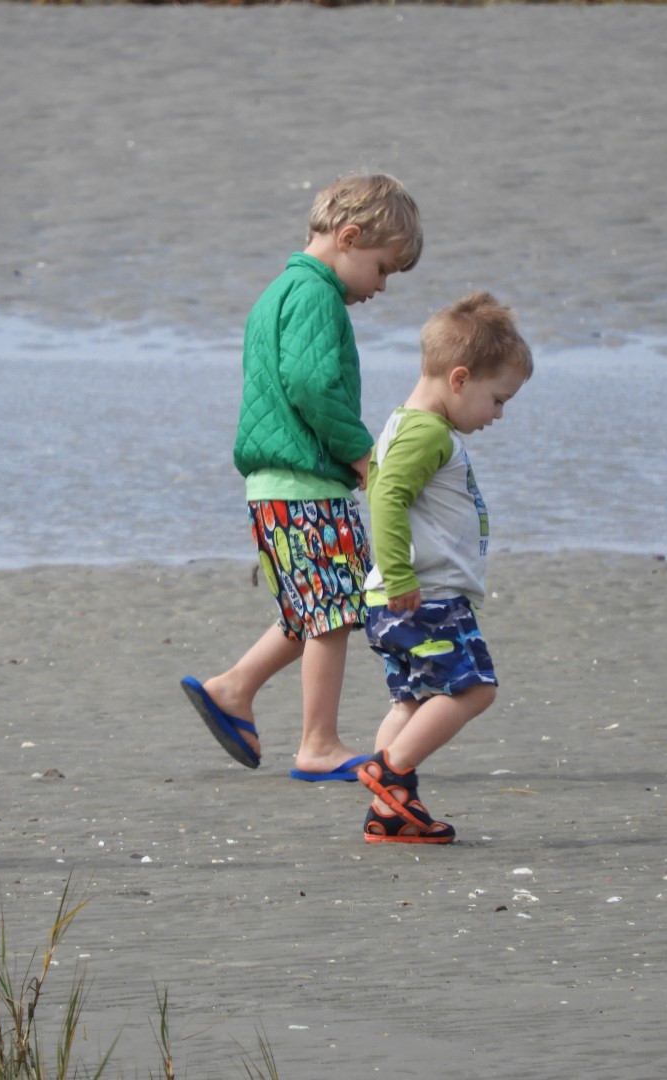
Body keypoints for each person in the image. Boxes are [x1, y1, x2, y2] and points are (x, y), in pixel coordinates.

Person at [181, 174, 423, 781]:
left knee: (310, 608)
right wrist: (365, 456)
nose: (382, 286)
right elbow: (313, 387)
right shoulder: (317, 297)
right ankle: (318, 745)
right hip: (305, 484)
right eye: (383, 268)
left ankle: (233, 688)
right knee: (335, 611)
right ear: (348, 238)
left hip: (271, 485)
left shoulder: (276, 293)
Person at [354, 291, 532, 843]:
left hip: (401, 598)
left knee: (410, 701)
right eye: (498, 399)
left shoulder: (409, 426)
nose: (499, 415)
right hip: (422, 597)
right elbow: (384, 500)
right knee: (475, 690)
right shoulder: (427, 432)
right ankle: (392, 774)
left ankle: (389, 811)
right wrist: (403, 577)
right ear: (459, 379)